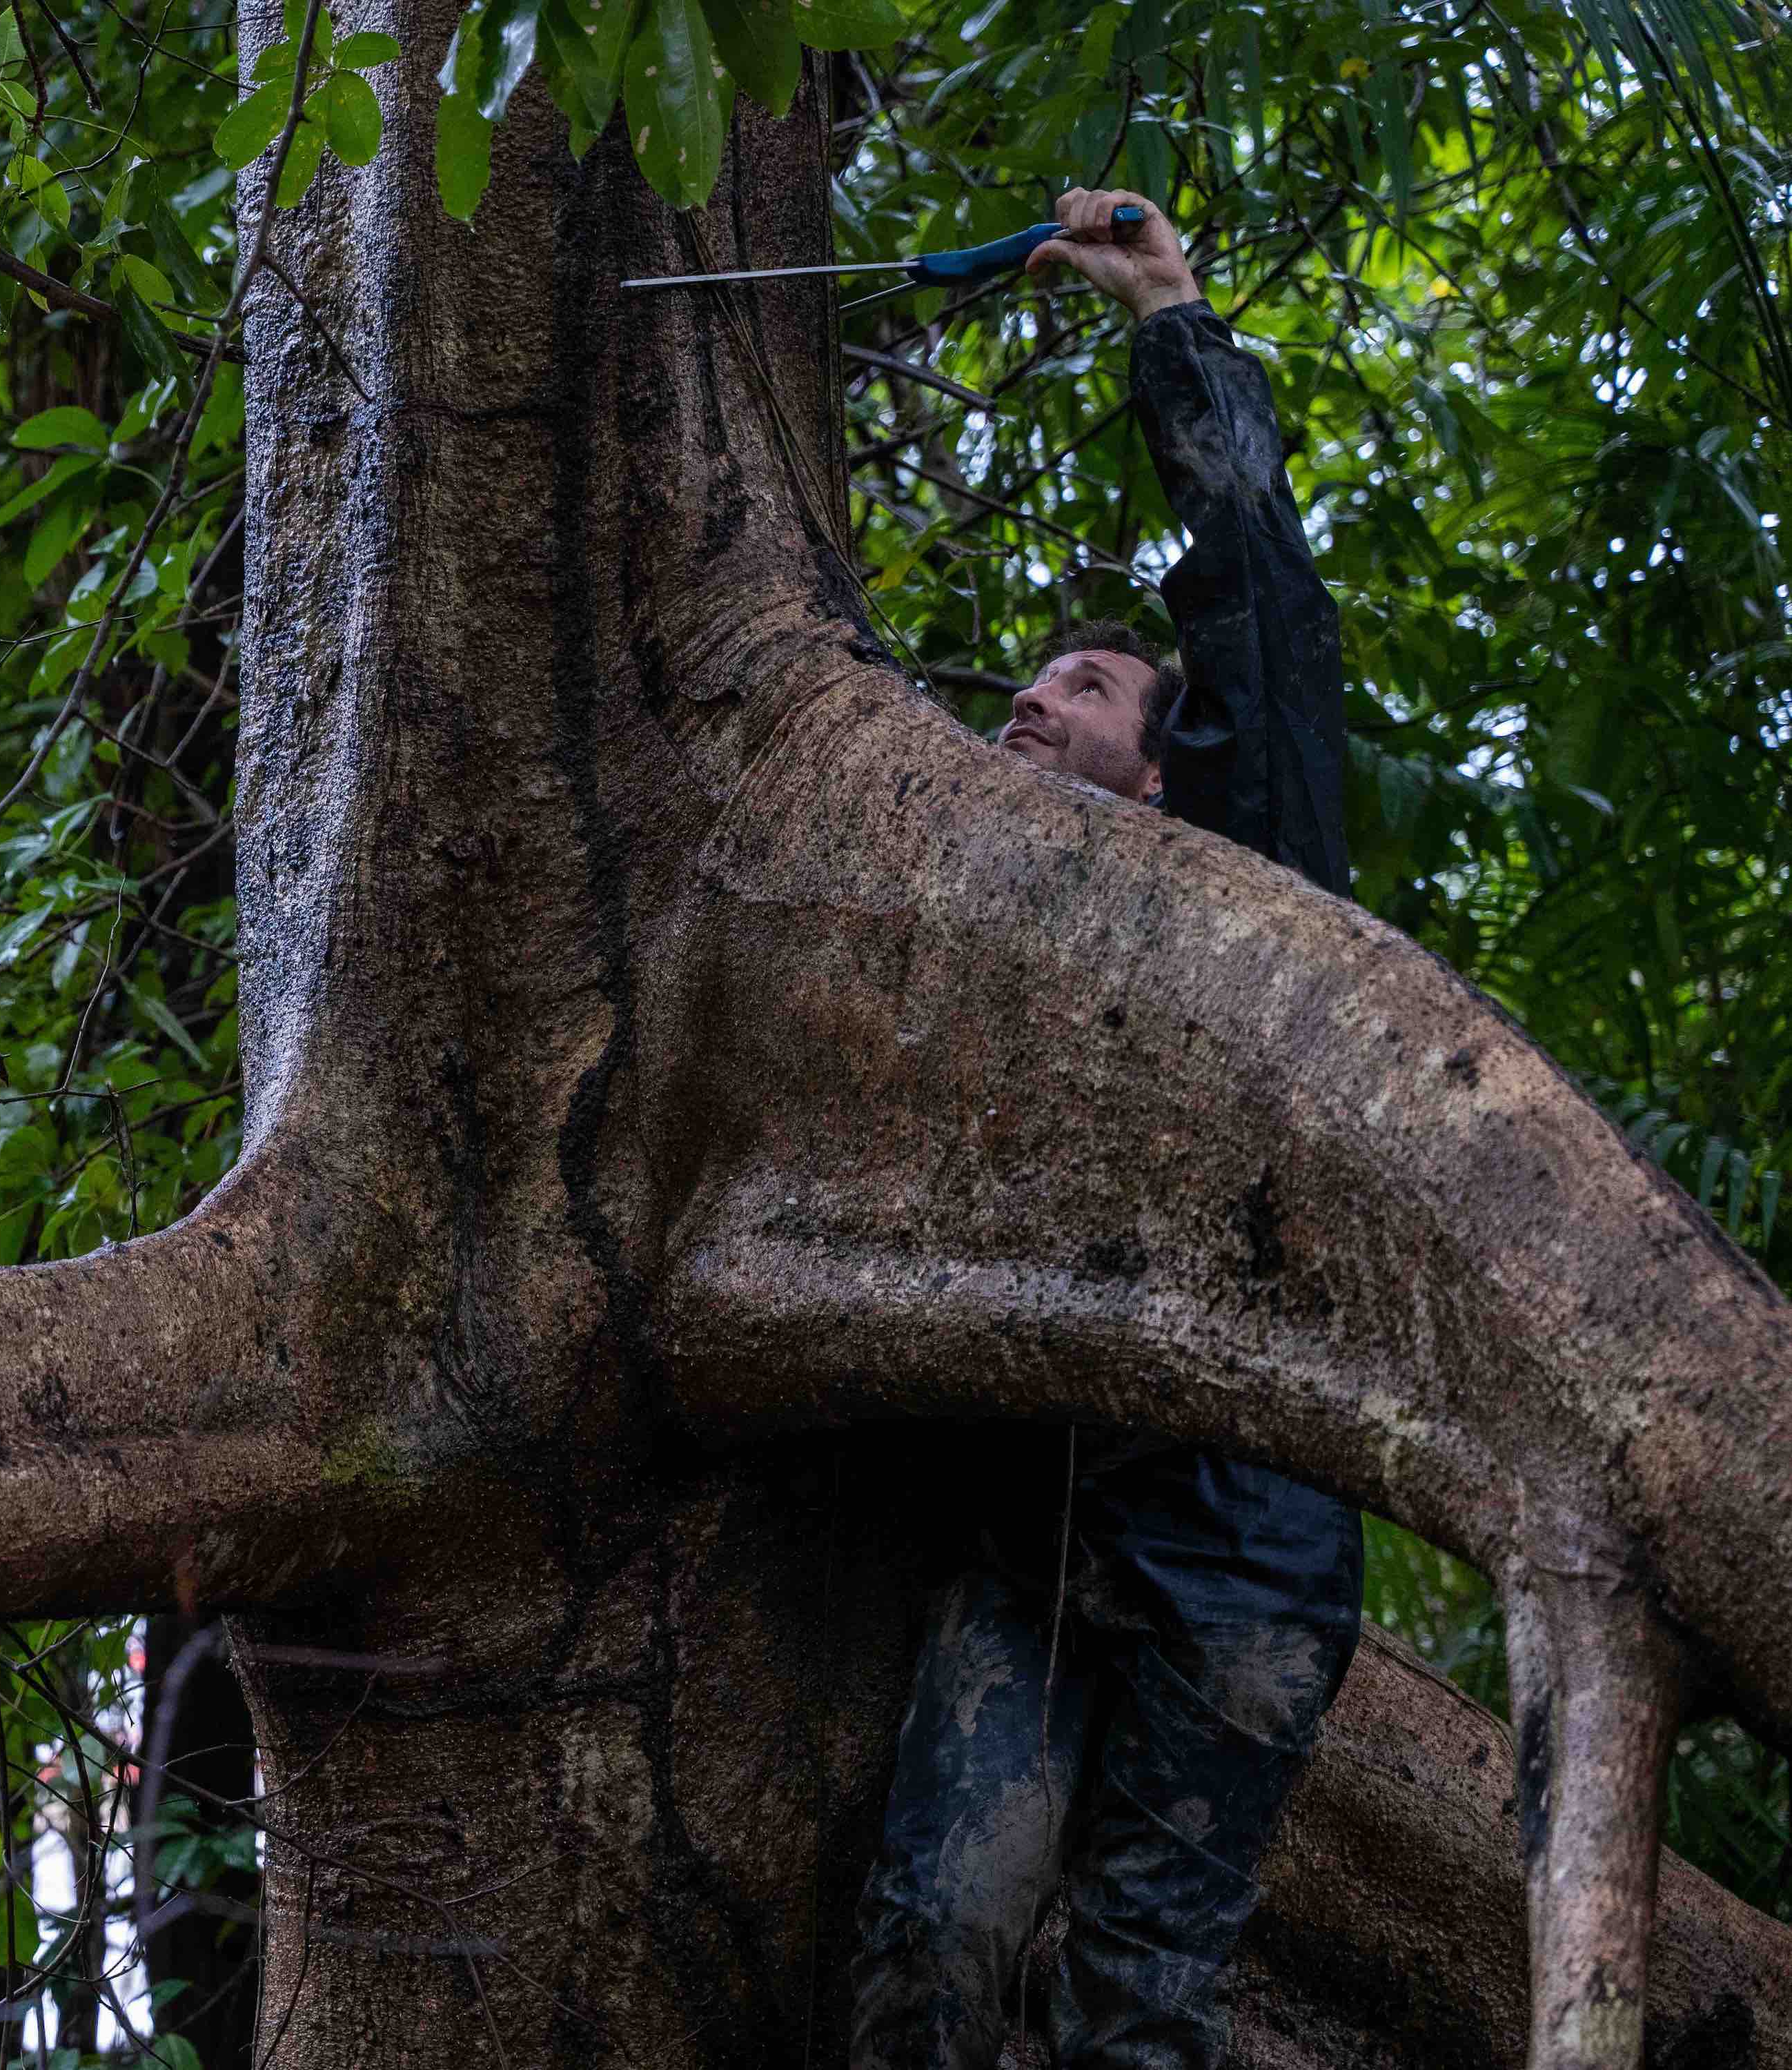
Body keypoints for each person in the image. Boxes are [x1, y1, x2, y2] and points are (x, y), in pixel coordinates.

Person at [846, 189, 1366, 2070]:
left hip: (1239, 1548)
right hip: (1027, 1536)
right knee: (929, 1942)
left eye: (1079, 686)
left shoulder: (1246, 884)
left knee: (1135, 2006)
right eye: (1016, 684)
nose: (1025, 703)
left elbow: (1260, 614)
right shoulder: (971, 966)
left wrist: (1165, 316)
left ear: (1167, 763)